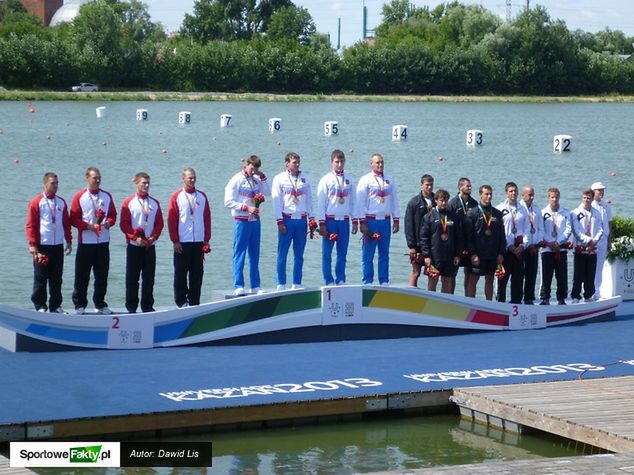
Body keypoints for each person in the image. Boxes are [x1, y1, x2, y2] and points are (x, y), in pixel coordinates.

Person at [70, 166, 117, 315]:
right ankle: (79, 305)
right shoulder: (79, 196)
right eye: (94, 178)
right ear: (87, 178)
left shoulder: (106, 196)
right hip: (86, 242)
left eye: (99, 178)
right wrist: (88, 226)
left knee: (102, 275)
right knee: (82, 275)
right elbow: (74, 219)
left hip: (103, 242)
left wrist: (109, 222)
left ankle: (100, 303)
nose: (97, 180)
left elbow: (113, 215)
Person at [25, 172, 72, 313]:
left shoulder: (61, 202)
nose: (56, 186)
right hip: (42, 246)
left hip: (57, 245)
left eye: (57, 183)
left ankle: (55, 305)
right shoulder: (36, 202)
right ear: (45, 184)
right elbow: (31, 225)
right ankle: (40, 305)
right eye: (53, 183)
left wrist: (69, 240)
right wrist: (32, 244)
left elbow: (66, 223)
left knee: (56, 278)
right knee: (40, 278)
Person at [224, 155, 270, 296]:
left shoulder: (256, 180)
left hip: (255, 221)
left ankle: (255, 285)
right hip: (241, 220)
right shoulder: (236, 179)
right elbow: (228, 202)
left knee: (254, 254)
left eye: (256, 169)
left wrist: (262, 177)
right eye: (252, 168)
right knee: (240, 253)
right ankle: (238, 285)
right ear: (246, 164)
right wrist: (246, 208)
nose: (253, 171)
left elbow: (268, 193)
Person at [120, 172, 164, 313]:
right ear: (136, 183)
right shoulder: (129, 202)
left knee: (149, 279)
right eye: (143, 183)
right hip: (134, 246)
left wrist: (152, 238)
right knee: (132, 279)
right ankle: (131, 307)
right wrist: (135, 238)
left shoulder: (154, 203)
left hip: (149, 247)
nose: (146, 185)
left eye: (147, 183)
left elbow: (159, 224)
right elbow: (124, 224)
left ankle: (147, 306)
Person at [167, 167, 211, 307]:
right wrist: (175, 240)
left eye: (194, 177)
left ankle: (194, 302)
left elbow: (207, 218)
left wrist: (206, 240)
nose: (192, 180)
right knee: (180, 274)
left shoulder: (202, 196)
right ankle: (181, 301)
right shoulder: (176, 197)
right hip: (182, 242)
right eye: (189, 178)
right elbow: (171, 220)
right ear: (183, 179)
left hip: (198, 242)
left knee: (197, 274)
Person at [271, 152, 314, 290]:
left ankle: (296, 283)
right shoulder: (279, 179)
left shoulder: (305, 179)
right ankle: (281, 283)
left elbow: (309, 200)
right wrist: (279, 221)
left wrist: (311, 219)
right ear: (287, 164)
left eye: (298, 162)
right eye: (294, 162)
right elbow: (276, 201)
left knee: (299, 254)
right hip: (287, 219)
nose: (297, 164)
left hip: (301, 220)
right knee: (282, 253)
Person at [356, 153, 400, 286]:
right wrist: (362, 222)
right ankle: (367, 282)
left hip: (385, 221)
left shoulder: (390, 179)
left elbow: (394, 201)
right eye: (377, 163)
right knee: (368, 254)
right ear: (371, 164)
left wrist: (396, 219)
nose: (380, 165)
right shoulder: (365, 180)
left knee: (384, 253)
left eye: (382, 162)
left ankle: (384, 281)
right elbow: (360, 203)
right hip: (370, 220)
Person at [317, 149, 357, 285]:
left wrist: (355, 220)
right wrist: (321, 223)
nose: (339, 164)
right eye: (337, 162)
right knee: (327, 253)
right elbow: (321, 203)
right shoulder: (325, 180)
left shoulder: (350, 180)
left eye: (342, 162)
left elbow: (353, 202)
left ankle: (340, 279)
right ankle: (328, 280)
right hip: (330, 220)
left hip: (344, 221)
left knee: (342, 253)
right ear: (331, 162)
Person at [466, 185, 505, 300]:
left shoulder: (497, 213)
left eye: (490, 194)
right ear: (480, 195)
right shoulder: (472, 213)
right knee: (473, 279)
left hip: (492, 254)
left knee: (490, 279)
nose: (489, 196)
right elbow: (468, 237)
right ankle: (470, 303)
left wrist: (501, 253)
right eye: (486, 194)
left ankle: (489, 304)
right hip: (478, 254)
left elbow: (502, 235)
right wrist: (472, 254)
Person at [420, 189, 462, 293]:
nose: (444, 203)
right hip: (435, 256)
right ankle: (429, 304)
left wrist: (457, 254)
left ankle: (445, 306)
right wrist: (426, 256)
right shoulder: (428, 216)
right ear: (436, 201)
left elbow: (459, 237)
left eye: (446, 201)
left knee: (446, 282)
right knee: (432, 281)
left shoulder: (454, 217)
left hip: (449, 255)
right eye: (441, 200)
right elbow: (424, 237)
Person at [496, 182, 529, 304]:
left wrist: (523, 245)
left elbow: (527, 230)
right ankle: (500, 304)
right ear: (506, 193)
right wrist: (508, 245)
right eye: (511, 191)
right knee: (502, 279)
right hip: (506, 250)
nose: (513, 193)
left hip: (519, 250)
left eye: (515, 191)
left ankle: (516, 303)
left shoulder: (523, 209)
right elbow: (499, 231)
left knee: (518, 279)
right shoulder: (500, 209)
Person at [540, 187, 573, 305]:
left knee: (562, 276)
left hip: (561, 248)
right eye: (552, 197)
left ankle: (561, 298)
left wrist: (558, 242)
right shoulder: (542, 212)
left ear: (559, 197)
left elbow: (568, 230)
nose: (554, 199)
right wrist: (550, 242)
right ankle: (545, 298)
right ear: (548, 198)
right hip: (547, 249)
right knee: (546, 275)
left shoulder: (565, 213)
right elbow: (541, 230)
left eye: (556, 197)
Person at [571, 189, 603, 303]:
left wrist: (595, 240)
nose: (586, 200)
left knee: (590, 275)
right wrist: (589, 240)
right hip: (581, 249)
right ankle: (575, 296)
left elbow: (600, 229)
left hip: (593, 249)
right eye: (584, 197)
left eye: (588, 198)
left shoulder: (597, 213)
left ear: (592, 198)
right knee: (578, 275)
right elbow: (576, 232)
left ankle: (588, 295)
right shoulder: (575, 213)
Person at [447, 177, 478, 295]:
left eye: (470, 186)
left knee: (469, 273)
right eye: (467, 186)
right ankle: (451, 298)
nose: (470, 187)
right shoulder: (452, 203)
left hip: (470, 242)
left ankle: (468, 299)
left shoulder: (474, 203)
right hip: (456, 243)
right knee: (452, 273)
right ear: (460, 187)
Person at [404, 174, 434, 287]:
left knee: (432, 273)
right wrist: (411, 245)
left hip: (432, 244)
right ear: (421, 185)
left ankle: (431, 298)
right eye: (427, 185)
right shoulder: (414, 202)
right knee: (416, 272)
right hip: (417, 244)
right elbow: (408, 225)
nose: (429, 188)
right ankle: (411, 296)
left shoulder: (437, 201)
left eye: (431, 185)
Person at [519, 185, 544, 305]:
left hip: (534, 248)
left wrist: (536, 244)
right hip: (522, 248)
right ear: (523, 195)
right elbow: (522, 229)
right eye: (529, 194)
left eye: (533, 194)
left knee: (532, 273)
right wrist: (527, 244)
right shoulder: (519, 209)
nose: (532, 197)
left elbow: (540, 229)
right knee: (520, 274)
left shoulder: (537, 209)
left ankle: (529, 297)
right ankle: (518, 298)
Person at [591, 181, 612, 299]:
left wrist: (609, 241)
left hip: (603, 240)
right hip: (593, 240)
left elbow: (609, 223)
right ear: (593, 191)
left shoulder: (605, 205)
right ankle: (588, 290)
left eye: (602, 190)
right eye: (599, 190)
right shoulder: (590, 205)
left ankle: (597, 291)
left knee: (599, 267)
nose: (602, 192)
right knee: (590, 266)